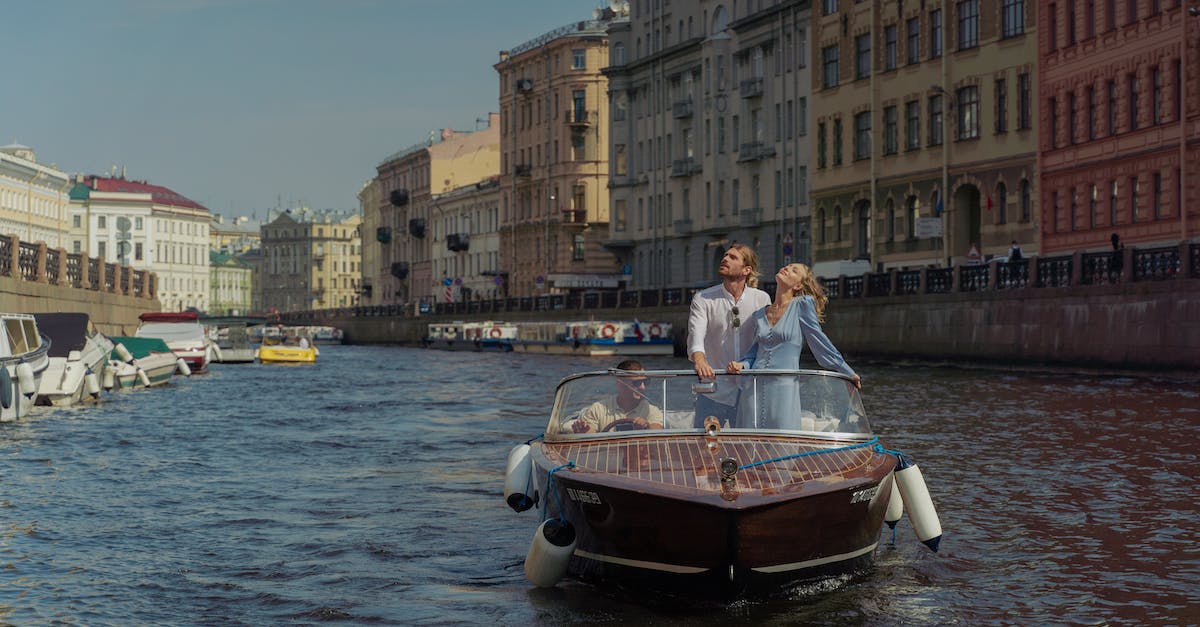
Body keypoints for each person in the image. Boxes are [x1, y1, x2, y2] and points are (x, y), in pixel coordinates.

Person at [726, 263, 860, 429]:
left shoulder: (802, 305)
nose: (787, 268)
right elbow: (753, 354)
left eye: (794, 270)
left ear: (797, 285)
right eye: (787, 266)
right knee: (750, 444)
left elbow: (819, 341)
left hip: (784, 389)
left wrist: (846, 371)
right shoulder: (759, 314)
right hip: (753, 389)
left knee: (782, 442)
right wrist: (741, 365)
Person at [686, 243, 772, 427]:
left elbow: (764, 341)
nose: (725, 259)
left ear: (746, 270)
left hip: (749, 390)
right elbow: (696, 335)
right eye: (725, 255)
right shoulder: (703, 298)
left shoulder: (761, 299)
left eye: (733, 257)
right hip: (713, 389)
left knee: (746, 449)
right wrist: (700, 361)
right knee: (704, 449)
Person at [570, 359, 664, 433]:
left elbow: (657, 430)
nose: (643, 387)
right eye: (637, 383)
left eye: (646, 382)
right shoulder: (598, 409)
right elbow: (590, 434)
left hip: (640, 456)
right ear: (620, 384)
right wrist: (583, 430)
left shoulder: (651, 410)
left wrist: (647, 427)